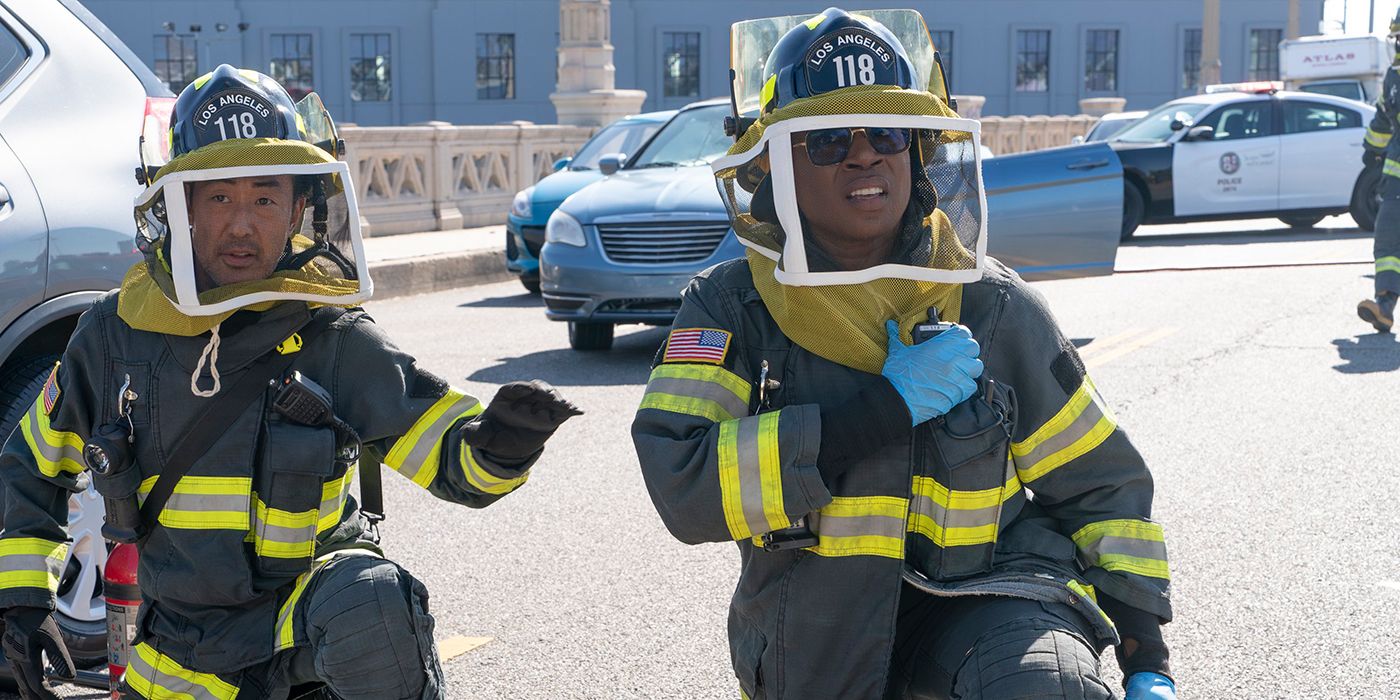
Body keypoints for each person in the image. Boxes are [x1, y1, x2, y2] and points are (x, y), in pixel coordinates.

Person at [632, 9, 1174, 700]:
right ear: (776, 164)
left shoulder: (989, 303)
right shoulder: (731, 309)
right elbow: (684, 487)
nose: (864, 154)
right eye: (827, 139)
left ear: (915, 151)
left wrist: (1146, 655)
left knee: (1047, 688)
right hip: (819, 643)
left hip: (994, 598)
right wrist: (880, 411)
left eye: (887, 132)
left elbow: (1102, 485)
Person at [0, 65, 579, 700]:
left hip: (296, 629)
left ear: (302, 207)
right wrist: (17, 609)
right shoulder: (113, 334)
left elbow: (453, 462)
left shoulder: (334, 338)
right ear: (179, 206)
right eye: (219, 196)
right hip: (172, 647)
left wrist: (502, 442)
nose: (242, 224)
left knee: (371, 601)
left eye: (266, 196)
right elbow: (28, 468)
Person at [1358, 9, 1400, 332]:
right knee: (1387, 239)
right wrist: (1373, 148)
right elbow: (1385, 118)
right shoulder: (1394, 76)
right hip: (1396, 182)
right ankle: (1384, 306)